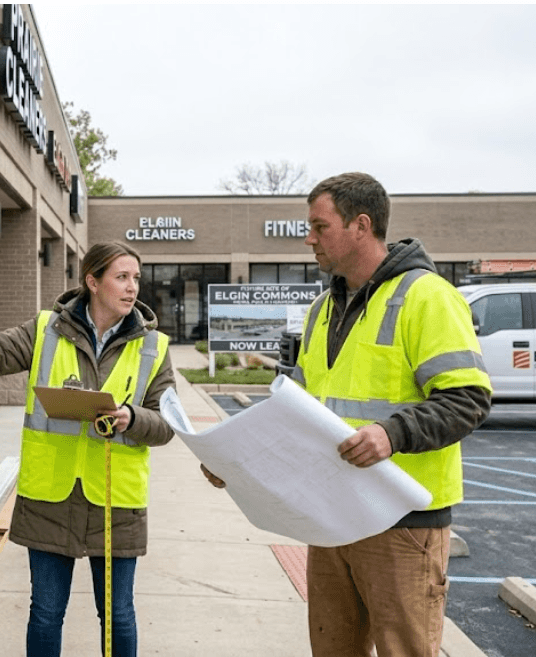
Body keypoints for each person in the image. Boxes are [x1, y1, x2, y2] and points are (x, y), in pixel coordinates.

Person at [202, 172, 492, 656]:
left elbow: (468, 398)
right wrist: (234, 457)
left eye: (319, 226)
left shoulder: (427, 296)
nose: (309, 238)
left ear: (361, 225)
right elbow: (290, 409)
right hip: (333, 515)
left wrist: (391, 434)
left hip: (401, 521)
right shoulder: (321, 309)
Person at [0, 240, 174, 657]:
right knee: (46, 613)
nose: (132, 287)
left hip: (115, 501)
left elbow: (168, 424)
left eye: (135, 278)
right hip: (50, 497)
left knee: (118, 615)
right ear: (92, 281)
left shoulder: (154, 347)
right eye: (121, 277)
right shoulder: (46, 330)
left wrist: (132, 418)